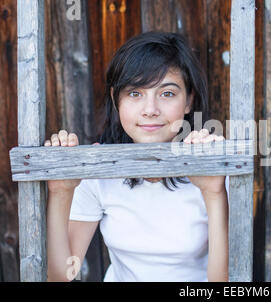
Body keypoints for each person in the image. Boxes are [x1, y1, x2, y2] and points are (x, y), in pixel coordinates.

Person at [45, 32, 229, 282]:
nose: (150, 110)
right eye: (135, 93)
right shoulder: (97, 169)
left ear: (189, 101)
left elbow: (226, 284)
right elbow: (61, 277)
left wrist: (214, 192)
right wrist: (60, 192)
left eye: (167, 93)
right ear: (116, 99)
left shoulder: (212, 164)